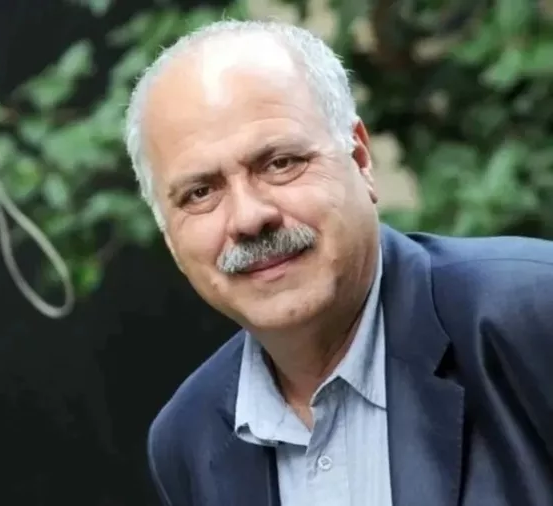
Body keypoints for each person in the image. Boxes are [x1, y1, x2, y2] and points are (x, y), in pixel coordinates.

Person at [123, 19, 553, 506]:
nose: (248, 218)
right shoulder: (188, 441)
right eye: (201, 192)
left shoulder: (533, 319)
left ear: (360, 158)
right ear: (169, 235)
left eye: (280, 163)